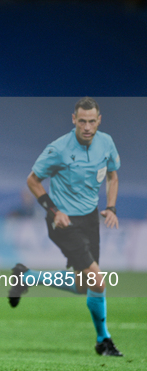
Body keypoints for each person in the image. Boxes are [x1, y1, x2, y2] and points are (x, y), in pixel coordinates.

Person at [8, 97, 123, 356]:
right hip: (63, 221)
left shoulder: (106, 143)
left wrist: (112, 207)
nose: (87, 126)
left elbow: (113, 175)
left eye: (92, 121)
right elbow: (33, 180)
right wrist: (54, 210)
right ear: (74, 120)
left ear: (99, 121)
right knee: (98, 280)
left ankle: (26, 276)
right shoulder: (59, 148)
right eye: (82, 121)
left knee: (86, 286)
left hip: (90, 218)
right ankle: (103, 340)